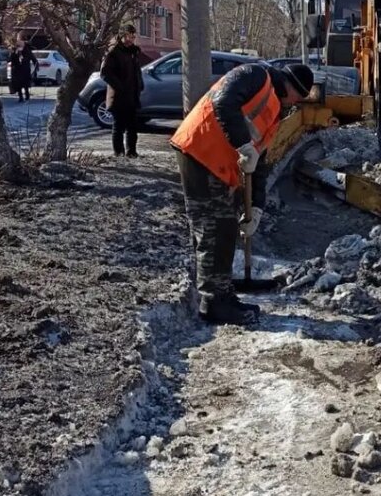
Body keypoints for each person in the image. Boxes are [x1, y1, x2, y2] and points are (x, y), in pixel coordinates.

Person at [171, 61, 314, 326]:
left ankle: (223, 294)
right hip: (200, 151)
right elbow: (224, 102)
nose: (297, 103)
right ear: (292, 87)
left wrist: (256, 208)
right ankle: (212, 301)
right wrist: (243, 145)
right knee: (213, 226)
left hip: (219, 163)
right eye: (299, 97)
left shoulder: (275, 111)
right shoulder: (255, 75)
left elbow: (261, 161)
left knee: (224, 227)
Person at [100, 25, 144, 159]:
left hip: (132, 95)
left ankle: (132, 152)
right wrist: (120, 87)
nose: (131, 39)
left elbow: (136, 72)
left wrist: (140, 85)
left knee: (132, 126)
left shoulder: (133, 52)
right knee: (119, 126)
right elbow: (105, 73)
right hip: (118, 96)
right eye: (129, 36)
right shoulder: (114, 52)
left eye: (133, 37)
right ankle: (118, 153)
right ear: (122, 36)